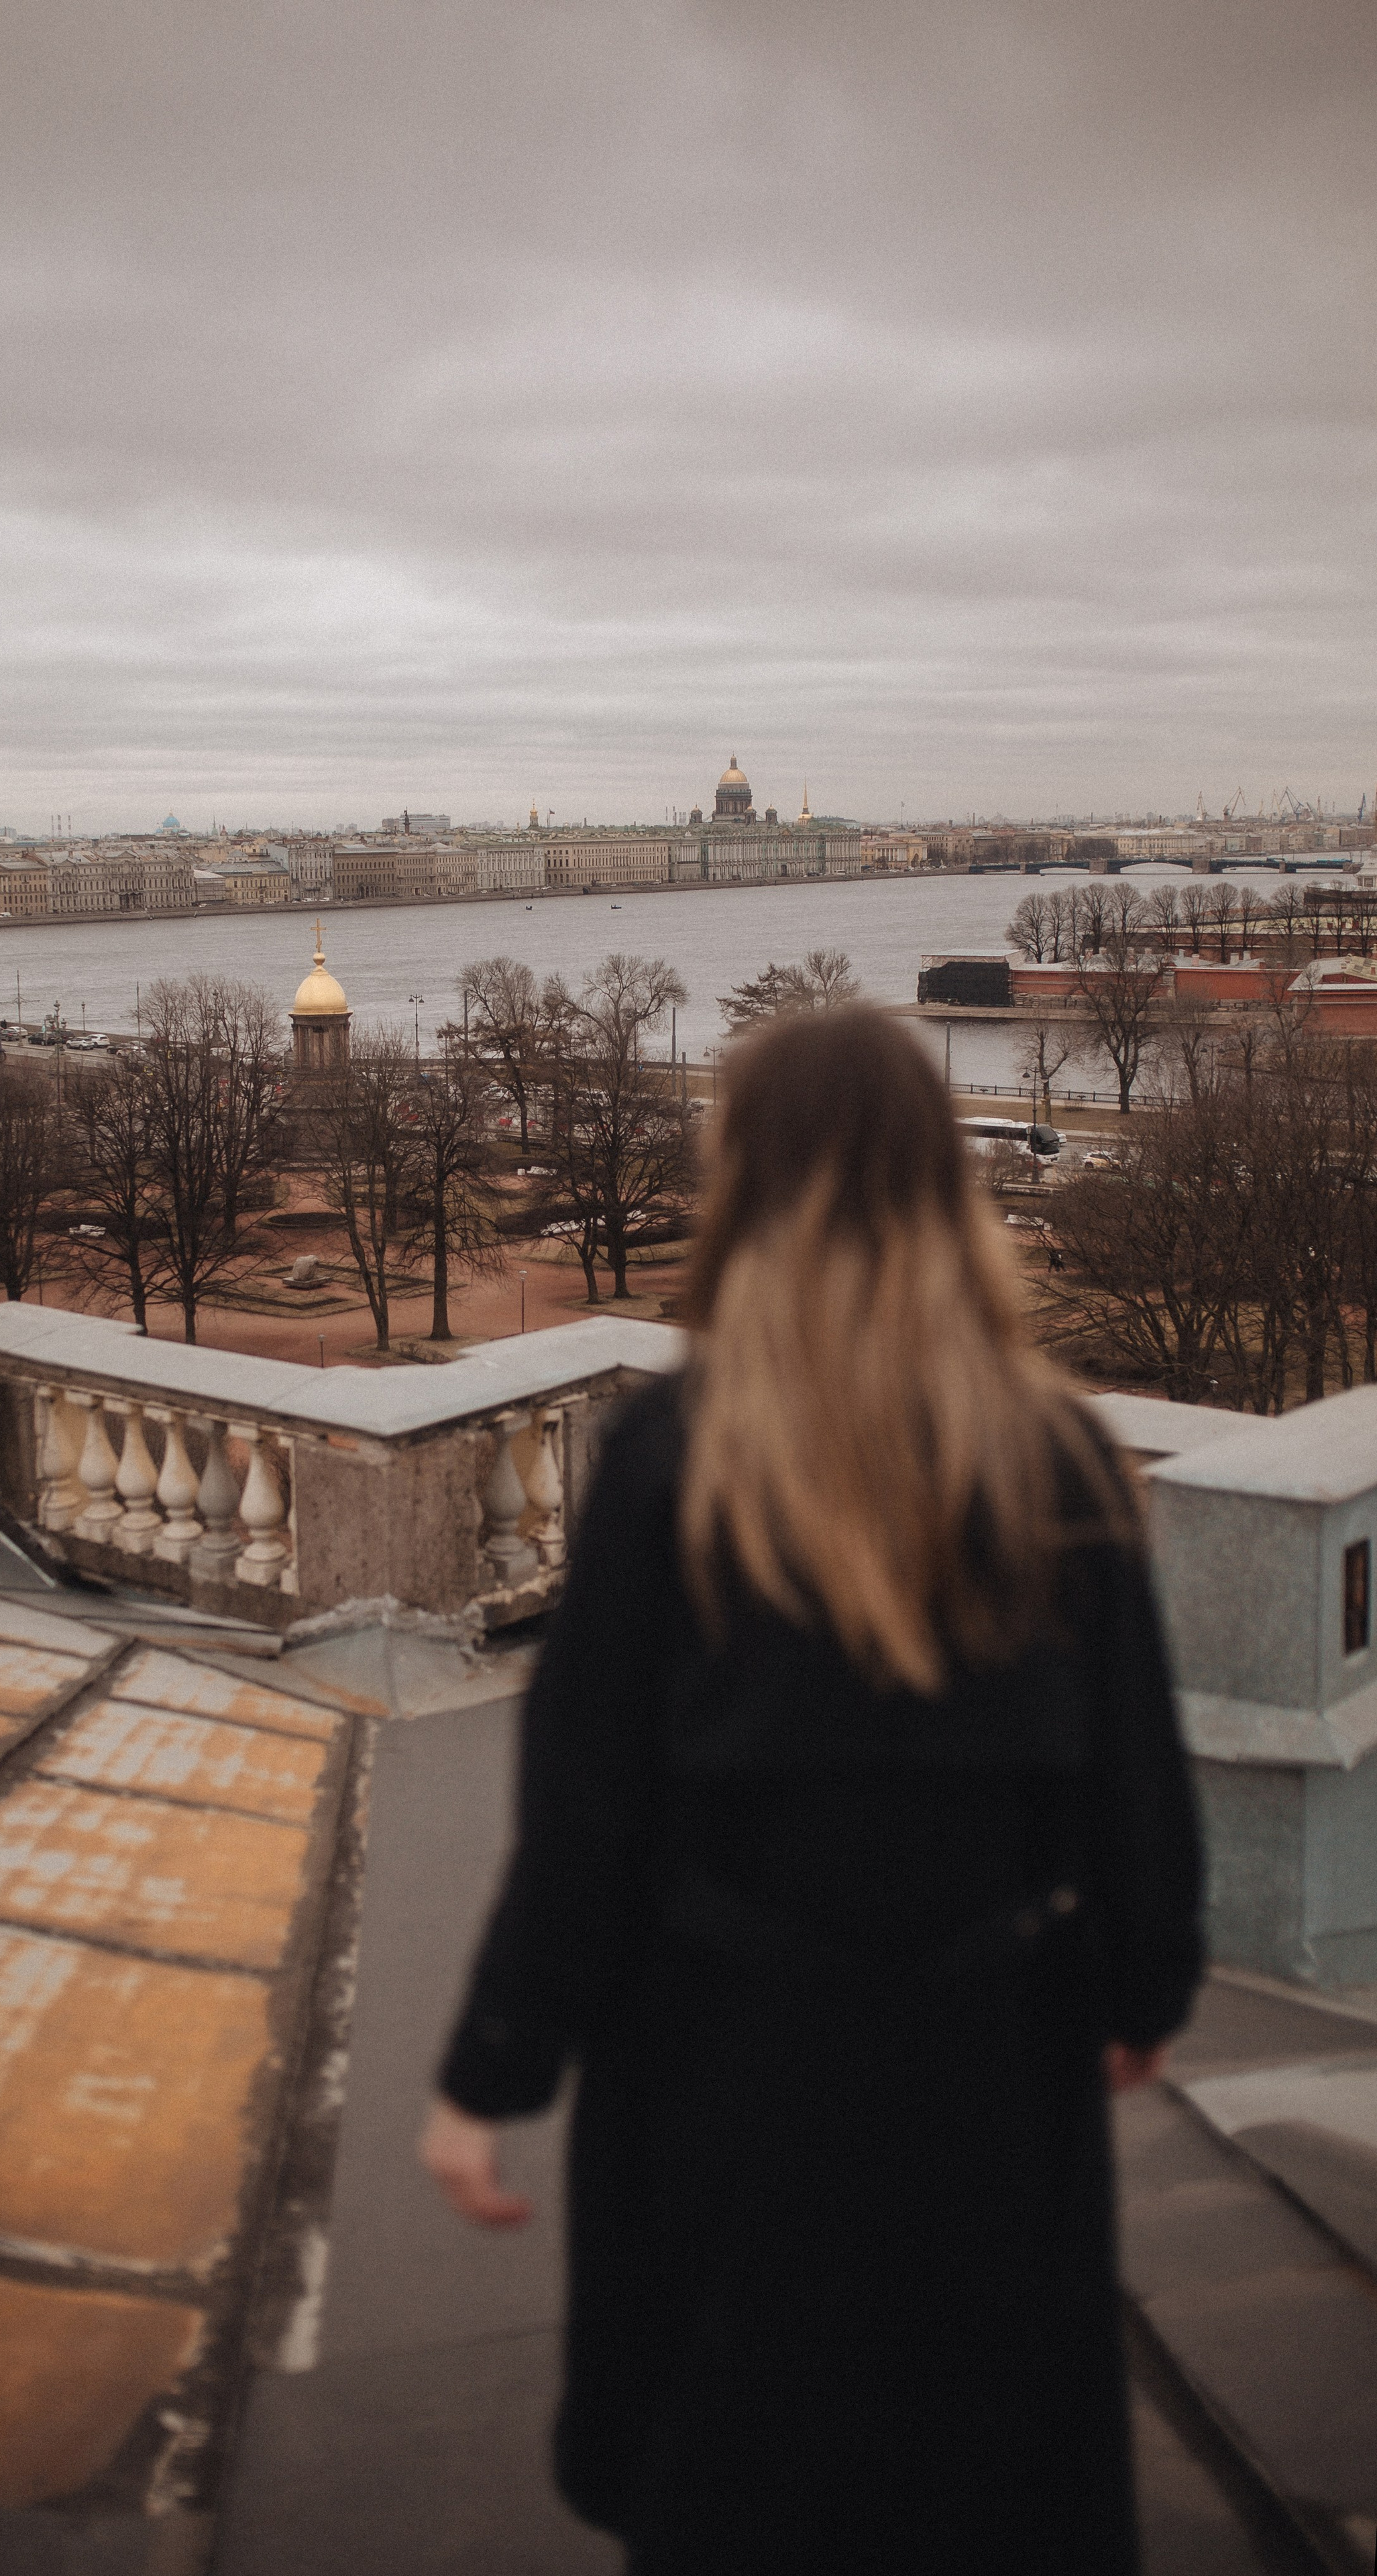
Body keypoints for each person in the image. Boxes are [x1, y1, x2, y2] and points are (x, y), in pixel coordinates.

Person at [421, 1005, 1201, 2576]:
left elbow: (583, 1819)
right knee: (982, 2481)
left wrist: (492, 2074)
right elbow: (1138, 1788)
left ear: (744, 1187)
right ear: (939, 1184)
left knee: (742, 2481)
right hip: (990, 2065)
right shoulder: (1054, 1458)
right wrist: (1135, 1992)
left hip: (721, 2072)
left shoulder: (665, 1456)